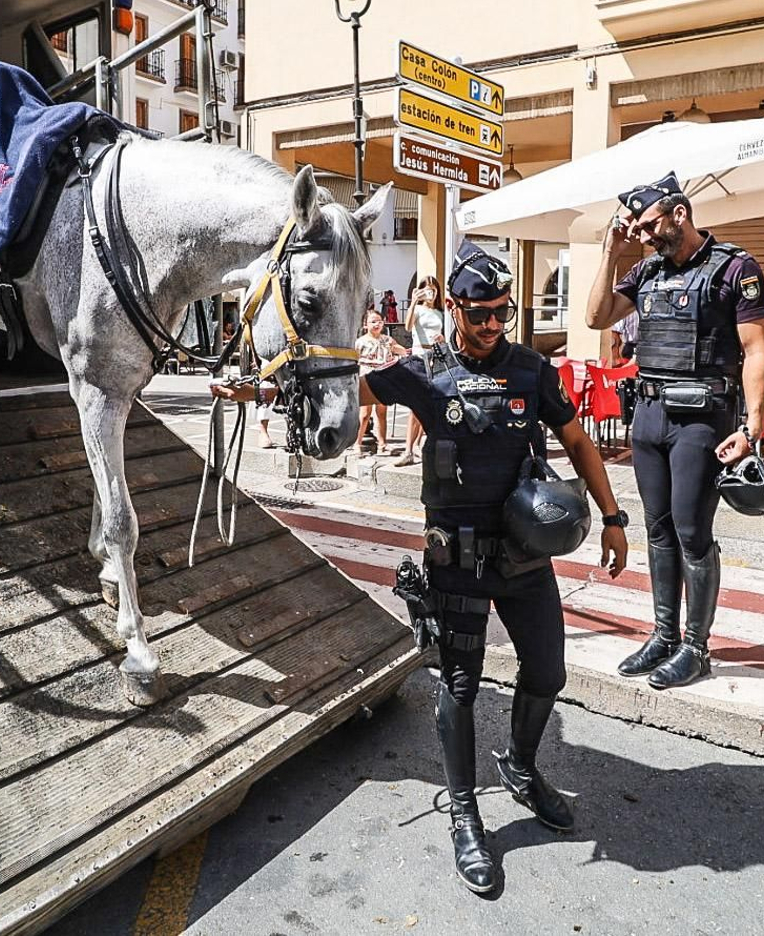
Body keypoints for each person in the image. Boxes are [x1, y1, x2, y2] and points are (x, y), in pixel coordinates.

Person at [216, 242, 629, 894]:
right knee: (460, 686)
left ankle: (520, 767)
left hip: (524, 557)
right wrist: (261, 387)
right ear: (456, 307)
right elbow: (344, 385)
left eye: (502, 312)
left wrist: (612, 516)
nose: (493, 324)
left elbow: (576, 439)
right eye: (480, 312)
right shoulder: (422, 371)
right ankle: (464, 810)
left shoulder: (528, 371)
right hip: (455, 561)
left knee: (547, 671)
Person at [585, 171, 764, 689]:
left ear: (679, 213)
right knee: (659, 529)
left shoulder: (735, 268)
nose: (642, 236)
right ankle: (664, 636)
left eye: (648, 226)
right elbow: (596, 316)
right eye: (637, 229)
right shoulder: (644, 271)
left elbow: (756, 348)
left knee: (692, 532)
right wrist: (609, 252)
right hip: (649, 417)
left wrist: (753, 426)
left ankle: (696, 646)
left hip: (702, 420)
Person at [397, 276, 444, 466]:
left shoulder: (440, 312)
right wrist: (414, 301)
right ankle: (408, 449)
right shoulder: (417, 309)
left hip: (435, 356)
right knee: (415, 406)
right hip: (418, 355)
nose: (431, 293)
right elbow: (408, 327)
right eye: (427, 289)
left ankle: (416, 445)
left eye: (433, 289)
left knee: (427, 404)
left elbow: (444, 333)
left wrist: (442, 338)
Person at [354, 308, 408, 456]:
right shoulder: (360, 342)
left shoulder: (387, 340)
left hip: (384, 377)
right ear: (366, 325)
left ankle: (382, 443)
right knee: (365, 413)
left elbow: (401, 351)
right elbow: (354, 360)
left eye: (379, 321)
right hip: (366, 378)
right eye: (373, 321)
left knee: (382, 412)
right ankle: (357, 443)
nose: (376, 324)